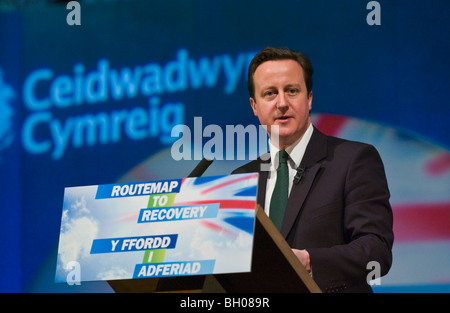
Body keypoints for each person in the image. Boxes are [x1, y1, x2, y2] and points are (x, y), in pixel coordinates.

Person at [232, 47, 394, 293]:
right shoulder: (241, 180)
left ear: (309, 98)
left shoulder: (353, 160)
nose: (282, 103)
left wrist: (309, 261)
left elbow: (376, 250)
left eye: (292, 91)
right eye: (270, 93)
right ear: (254, 106)